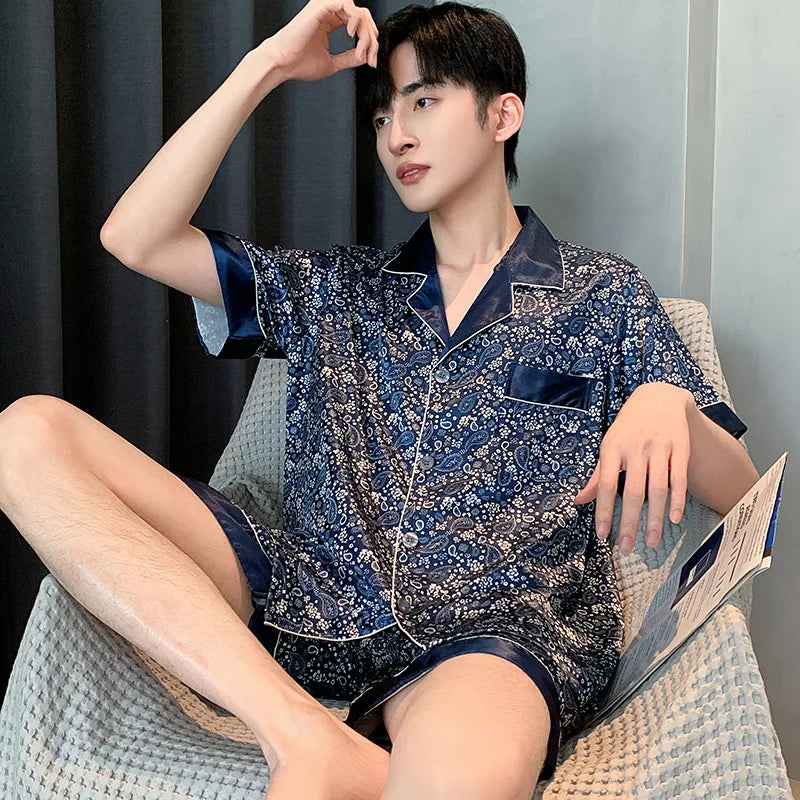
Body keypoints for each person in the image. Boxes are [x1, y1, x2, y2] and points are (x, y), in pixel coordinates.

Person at [0, 1, 761, 799]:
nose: (397, 135)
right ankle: (302, 732)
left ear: (502, 115)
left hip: (494, 632)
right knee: (26, 434)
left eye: (423, 102)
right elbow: (135, 236)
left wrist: (670, 404)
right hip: (306, 599)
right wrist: (265, 65)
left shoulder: (603, 296)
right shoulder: (336, 289)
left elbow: (745, 496)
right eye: (383, 116)